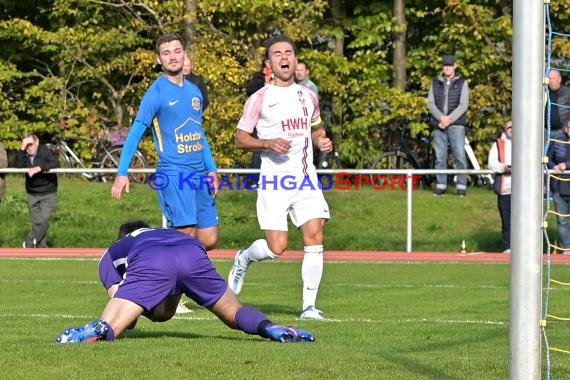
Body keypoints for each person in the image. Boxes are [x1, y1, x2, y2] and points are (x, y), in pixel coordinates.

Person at [55, 221, 315, 344]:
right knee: (234, 312)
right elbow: (165, 311)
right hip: (192, 250)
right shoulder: (165, 232)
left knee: (111, 326)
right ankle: (270, 327)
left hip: (151, 259)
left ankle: (94, 332)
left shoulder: (113, 251)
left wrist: (123, 316)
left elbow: (129, 318)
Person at [228, 35, 333, 320]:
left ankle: (309, 307)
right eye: (277, 54)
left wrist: (321, 141)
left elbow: (316, 129)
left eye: (289, 52)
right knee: (278, 247)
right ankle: (244, 258)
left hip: (305, 177)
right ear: (269, 63)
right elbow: (240, 139)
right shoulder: (259, 98)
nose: (284, 57)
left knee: (315, 235)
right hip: (275, 181)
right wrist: (267, 143)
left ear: (296, 59)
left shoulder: (309, 96)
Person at [111, 33, 219, 250]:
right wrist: (122, 172)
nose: (173, 57)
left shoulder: (194, 91)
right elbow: (135, 134)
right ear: (159, 59)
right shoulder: (155, 94)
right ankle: (172, 280)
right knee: (185, 236)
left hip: (199, 173)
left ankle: (161, 261)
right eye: (166, 53)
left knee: (209, 239)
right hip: (174, 172)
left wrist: (212, 169)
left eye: (177, 51)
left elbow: (199, 133)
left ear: (184, 54)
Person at [427, 54, 470, 197]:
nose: (447, 68)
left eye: (450, 66)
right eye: (445, 66)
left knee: (459, 156)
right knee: (440, 156)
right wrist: (441, 118)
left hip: (456, 125)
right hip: (439, 125)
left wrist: (449, 119)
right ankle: (441, 186)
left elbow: (463, 105)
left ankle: (462, 187)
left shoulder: (462, 82)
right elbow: (430, 103)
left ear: (455, 66)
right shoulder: (435, 82)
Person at [15, 134, 59, 248]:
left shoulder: (45, 151)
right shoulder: (24, 153)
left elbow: (55, 163)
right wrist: (21, 148)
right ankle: (41, 247)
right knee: (37, 222)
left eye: (30, 144)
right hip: (32, 193)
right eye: (26, 145)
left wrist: (39, 168)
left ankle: (28, 243)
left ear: (37, 142)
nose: (28, 148)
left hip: (48, 192)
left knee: (44, 220)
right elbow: (18, 165)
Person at [488, 120, 512, 254]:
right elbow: (491, 164)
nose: (512, 129)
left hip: (523, 191)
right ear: (505, 129)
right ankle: (507, 246)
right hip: (505, 189)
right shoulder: (498, 144)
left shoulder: (525, 141)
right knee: (507, 221)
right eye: (509, 127)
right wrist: (504, 168)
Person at [547, 119, 570, 252]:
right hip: (559, 186)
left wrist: (566, 165)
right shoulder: (557, 141)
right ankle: (566, 248)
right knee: (562, 220)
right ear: (566, 129)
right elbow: (547, 157)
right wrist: (553, 166)